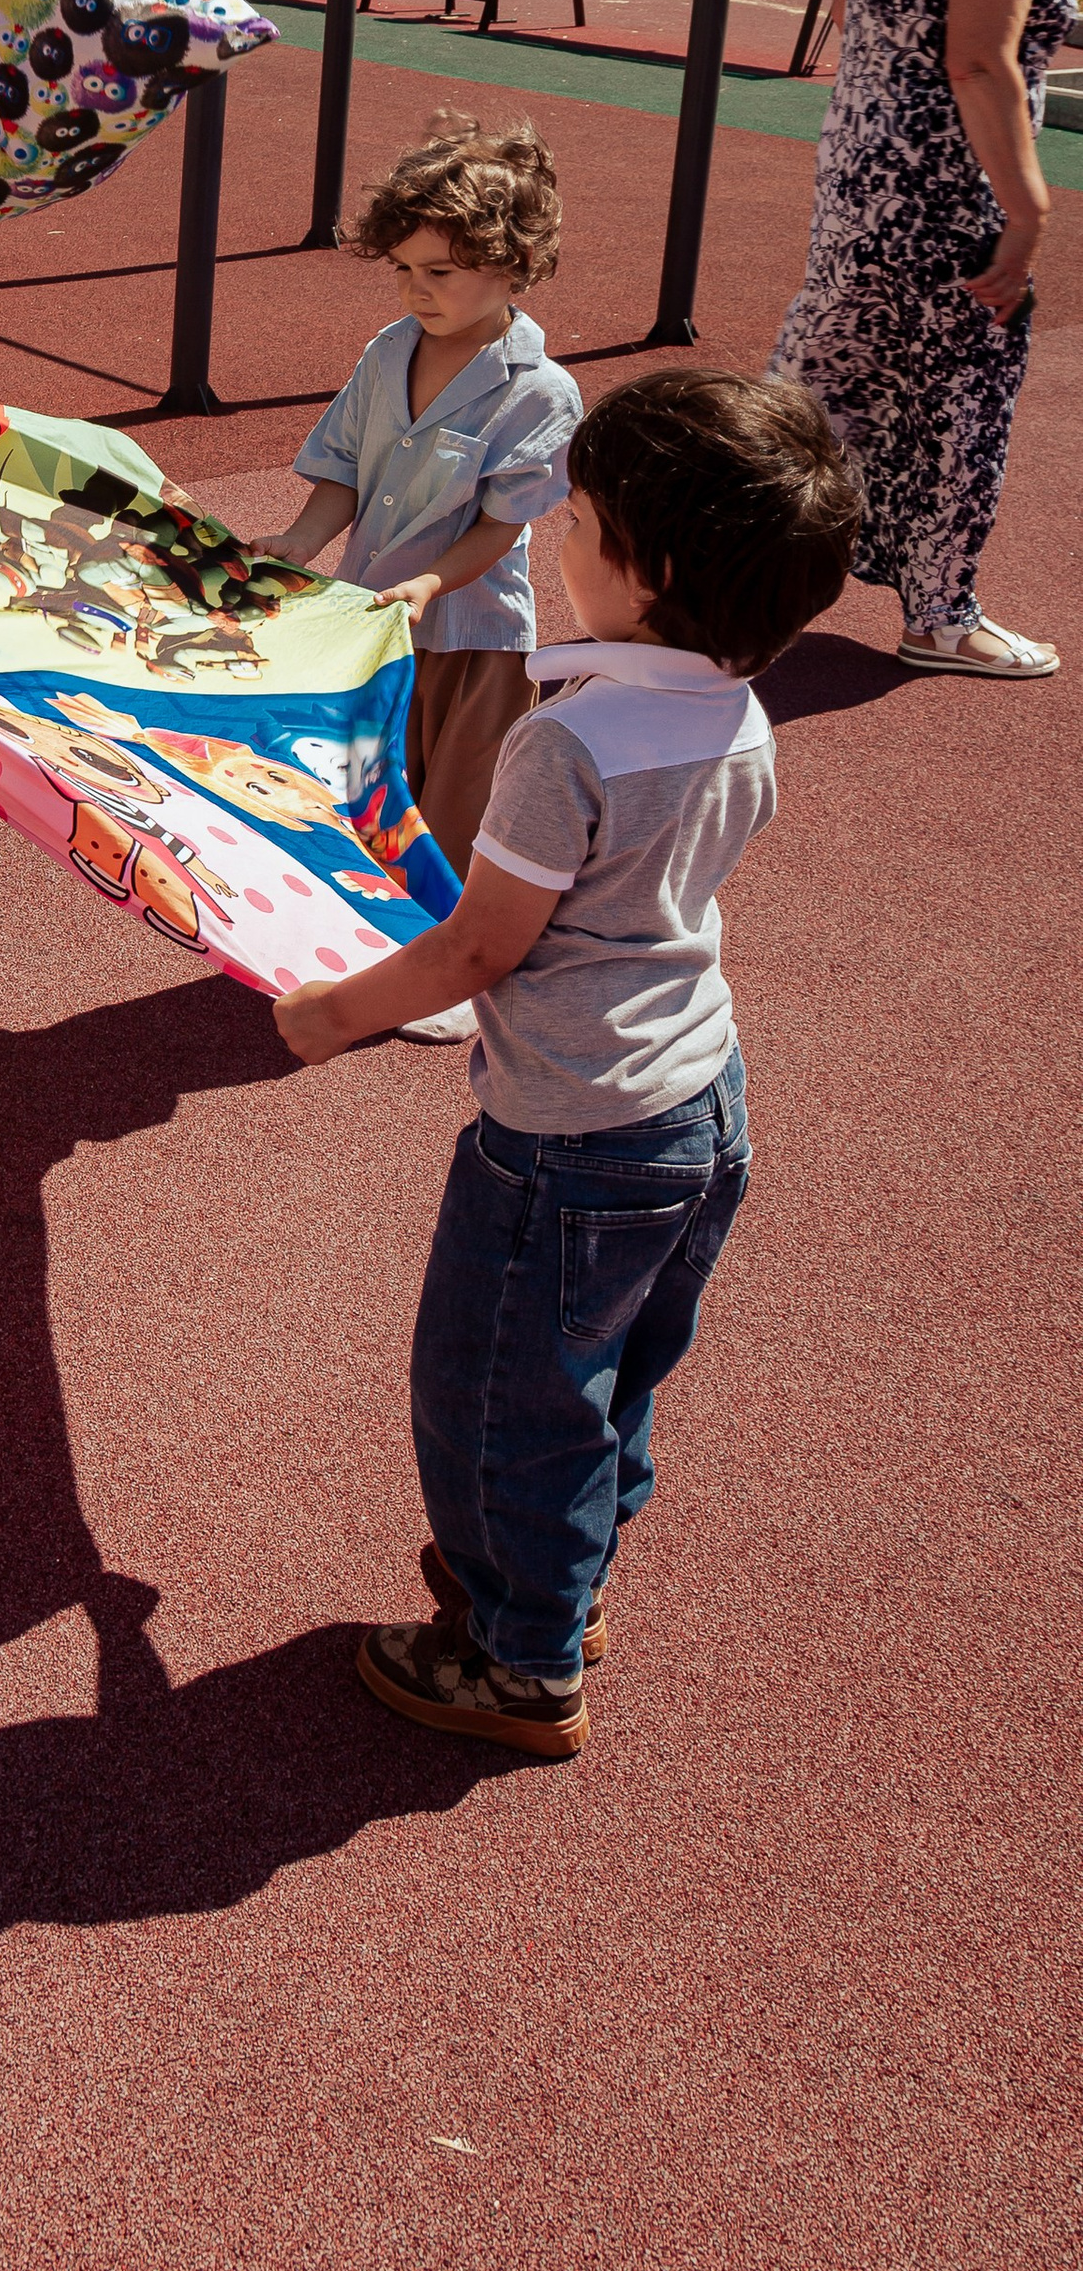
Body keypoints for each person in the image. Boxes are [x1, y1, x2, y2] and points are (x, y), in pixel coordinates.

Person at [274, 368, 858, 1759]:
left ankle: (521, 1657)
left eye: (576, 516)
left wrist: (332, 1012)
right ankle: (562, 1578)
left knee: (495, 1390)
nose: (550, 529)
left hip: (567, 1140)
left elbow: (481, 952)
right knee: (607, 1373)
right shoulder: (736, 711)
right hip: (697, 1106)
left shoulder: (567, 743)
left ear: (647, 574)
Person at [773, 0, 1077, 678]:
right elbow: (981, 62)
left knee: (828, 382)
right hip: (944, 192)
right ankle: (939, 613)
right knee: (960, 396)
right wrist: (1028, 207)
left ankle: (728, 565)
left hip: (864, 172)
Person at [266, 116, 579, 875]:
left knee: (453, 817)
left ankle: (449, 964)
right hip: (376, 621)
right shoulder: (388, 351)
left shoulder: (541, 393)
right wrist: (302, 542)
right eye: (404, 270)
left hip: (473, 639)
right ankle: (364, 944)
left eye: (440, 272)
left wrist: (431, 583)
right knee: (361, 796)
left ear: (517, 265)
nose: (416, 290)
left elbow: (501, 527)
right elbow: (343, 466)